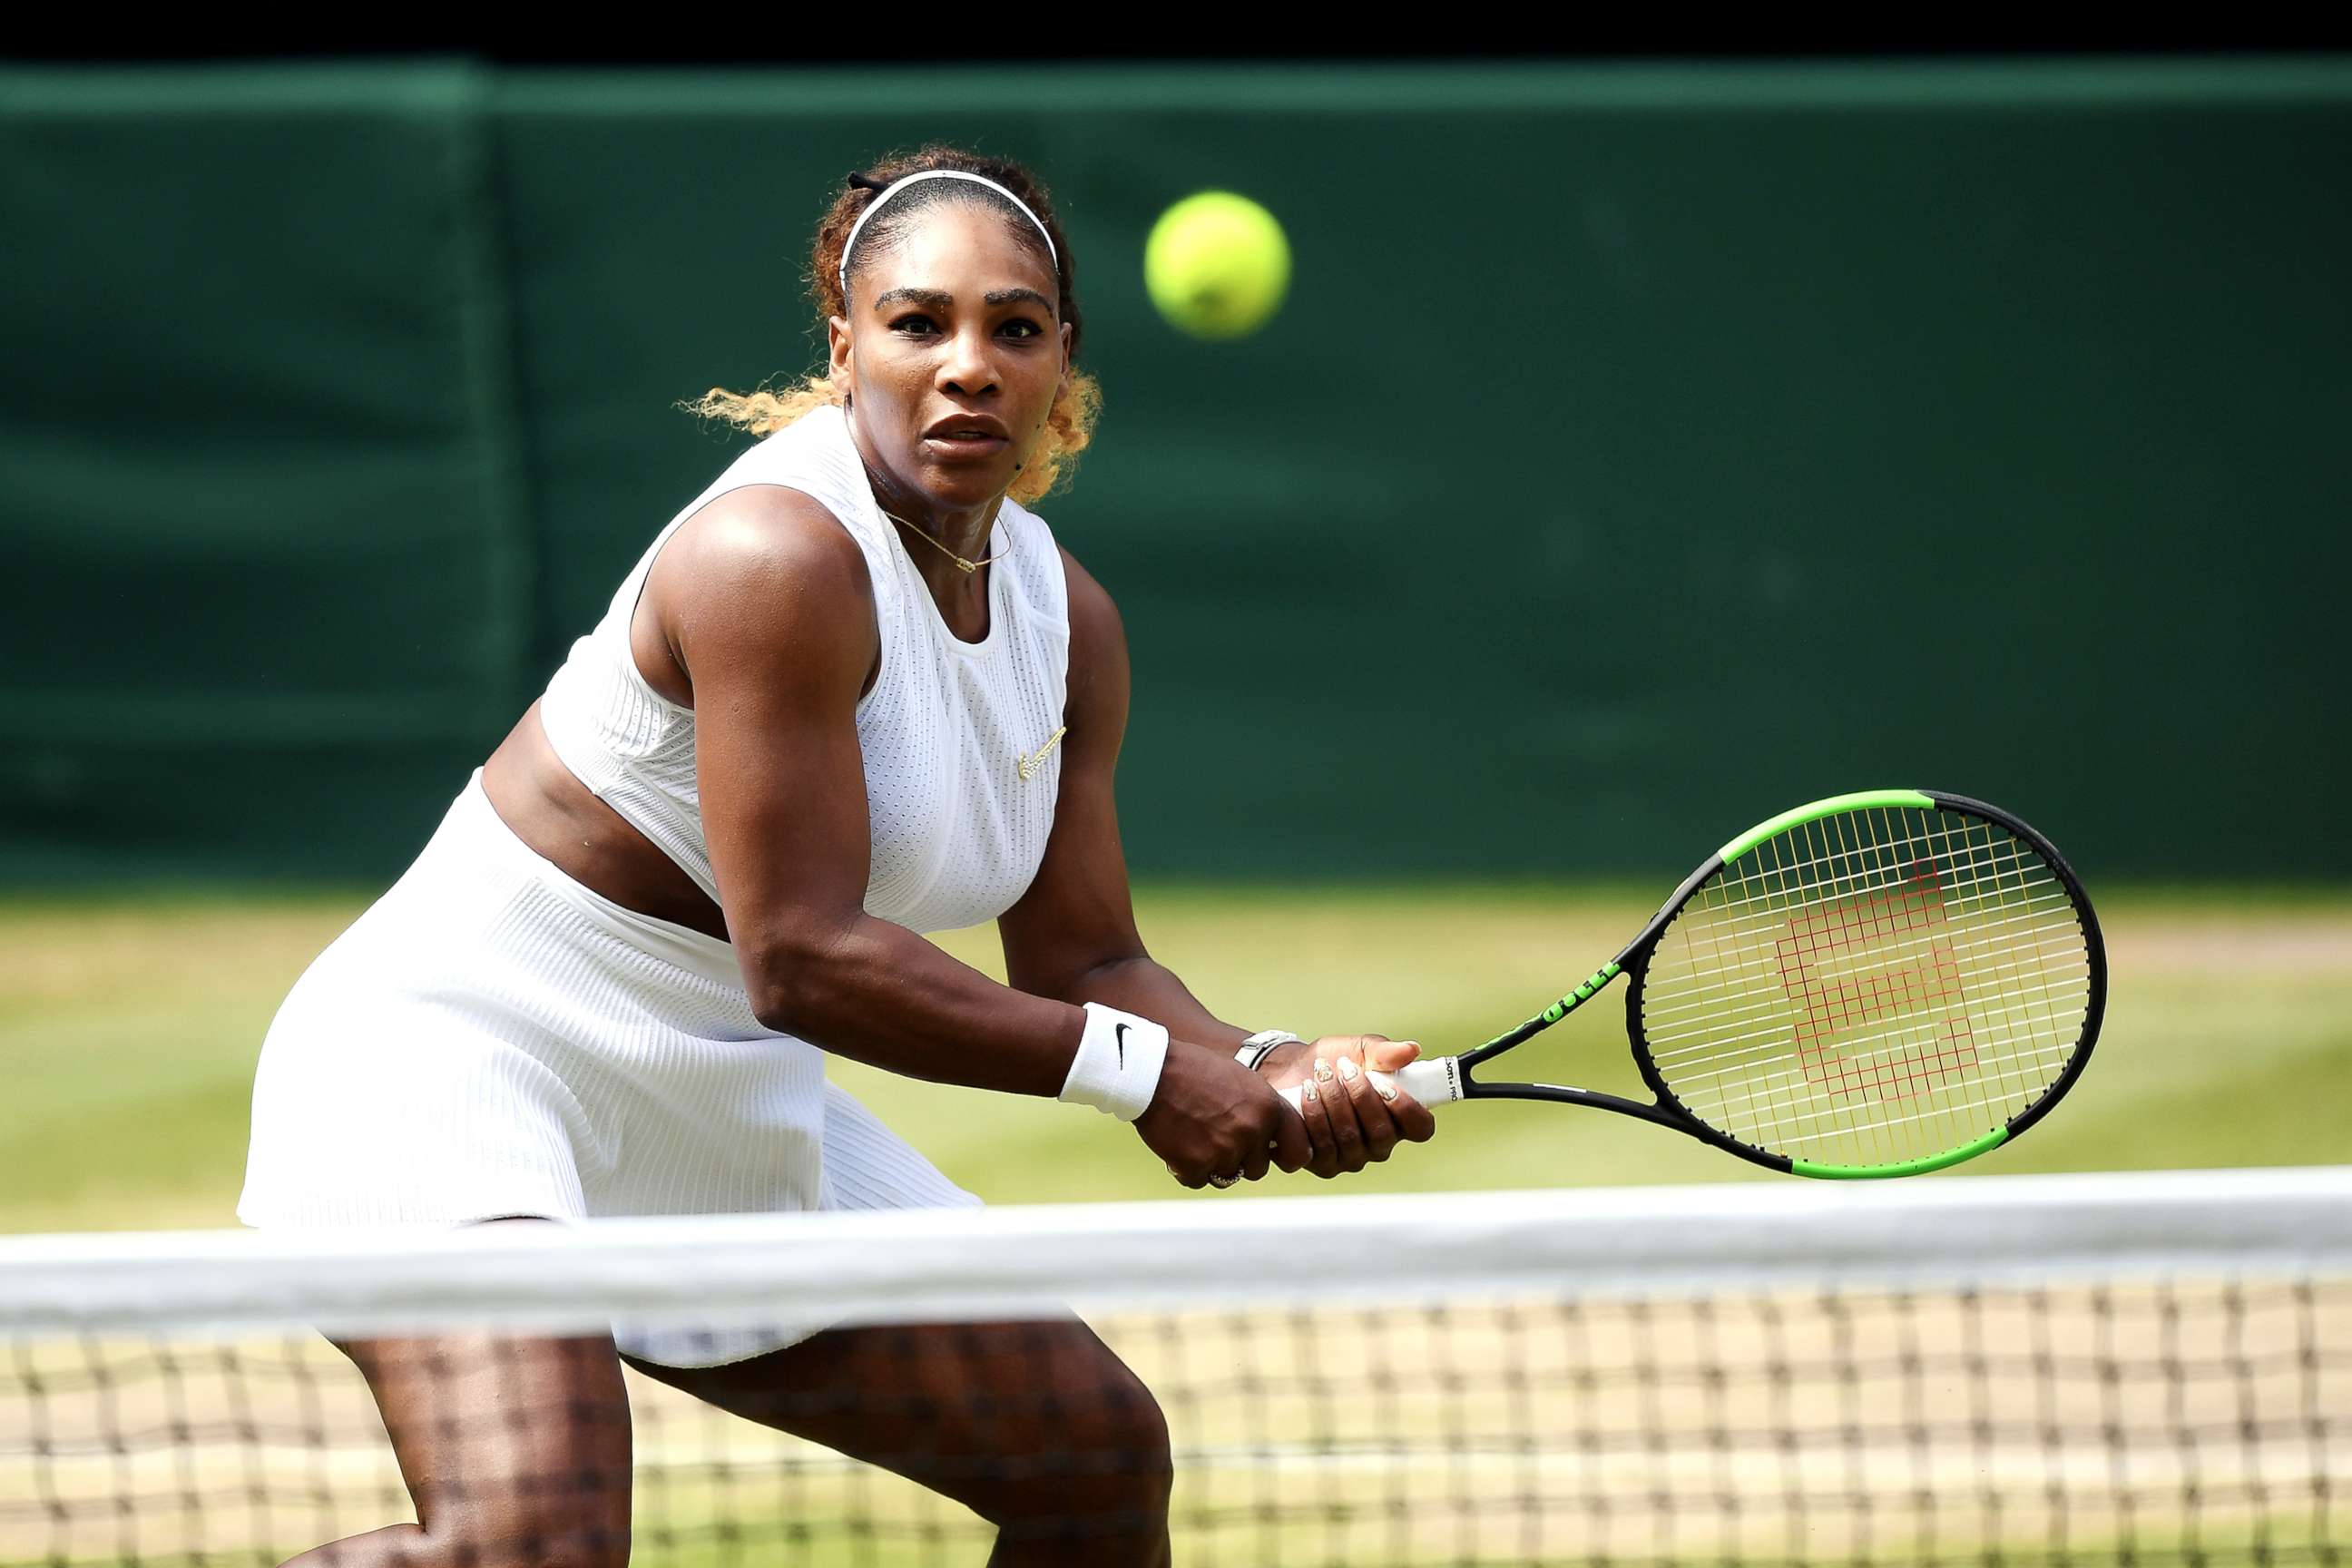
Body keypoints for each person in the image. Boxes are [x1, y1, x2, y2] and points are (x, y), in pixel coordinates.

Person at [239, 146, 1436, 1567]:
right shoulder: (772, 557)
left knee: (1092, 1459)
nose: (968, 365)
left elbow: (1089, 957)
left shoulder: (1072, 623)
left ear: (1064, 360)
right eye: (919, 323)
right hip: (459, 1057)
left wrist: (1262, 1063)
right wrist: (1138, 1078)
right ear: (844, 345)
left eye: (1014, 327)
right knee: (528, 1542)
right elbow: (800, 958)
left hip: (717, 1086)